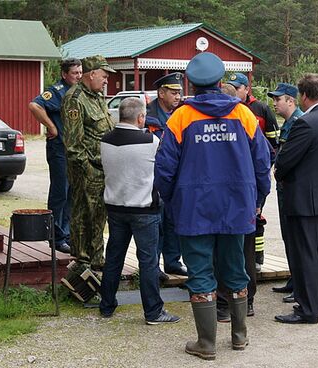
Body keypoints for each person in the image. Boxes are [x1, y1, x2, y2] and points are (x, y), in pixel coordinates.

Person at [155, 52, 271, 360]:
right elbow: (263, 162)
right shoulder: (243, 115)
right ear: (220, 82)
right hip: (236, 207)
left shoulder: (181, 117)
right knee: (235, 269)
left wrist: (172, 200)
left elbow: (164, 169)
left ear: (191, 84)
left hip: (194, 209)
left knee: (201, 272)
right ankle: (239, 337)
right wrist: (258, 198)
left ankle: (206, 343)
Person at [273, 74, 318, 324]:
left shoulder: (306, 123)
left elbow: (285, 161)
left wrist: (278, 172)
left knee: (305, 252)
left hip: (305, 197)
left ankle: (307, 308)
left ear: (303, 96)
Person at [99, 97, 180, 324]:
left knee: (114, 257)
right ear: (141, 117)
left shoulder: (105, 140)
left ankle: (106, 305)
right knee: (148, 262)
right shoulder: (150, 141)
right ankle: (153, 311)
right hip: (144, 208)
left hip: (115, 207)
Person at [60, 55, 116, 302]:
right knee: (84, 217)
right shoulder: (75, 99)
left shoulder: (96, 97)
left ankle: (97, 263)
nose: (106, 81)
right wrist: (89, 169)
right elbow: (73, 145)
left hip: (102, 168)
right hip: (88, 169)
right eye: (104, 76)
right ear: (91, 74)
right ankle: (83, 265)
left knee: (98, 217)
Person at [28, 58, 82, 254]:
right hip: (59, 149)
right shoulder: (57, 91)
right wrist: (51, 126)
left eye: (80, 72)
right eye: (75, 73)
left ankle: (66, 235)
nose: (78, 76)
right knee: (60, 193)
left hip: (74, 150)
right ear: (64, 74)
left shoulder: (78, 92)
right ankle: (56, 237)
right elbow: (34, 105)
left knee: (72, 194)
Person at [227, 72, 279, 268]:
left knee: (255, 216)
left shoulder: (262, 109)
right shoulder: (228, 110)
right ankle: (239, 260)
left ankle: (257, 259)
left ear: (246, 89)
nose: (233, 91)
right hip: (237, 174)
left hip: (256, 174)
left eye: (237, 88)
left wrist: (267, 168)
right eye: (230, 87)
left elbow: (273, 143)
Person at [145, 72, 188, 280]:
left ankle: (173, 262)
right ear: (161, 93)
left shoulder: (182, 114)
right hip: (155, 177)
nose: (178, 96)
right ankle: (154, 266)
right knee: (157, 224)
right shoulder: (147, 115)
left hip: (178, 177)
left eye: (179, 92)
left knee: (173, 222)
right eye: (173, 92)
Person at [267, 83, 303, 300]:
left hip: (292, 187)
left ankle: (299, 284)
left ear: (291, 100)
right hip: (284, 187)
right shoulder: (288, 122)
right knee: (287, 236)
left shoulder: (298, 122)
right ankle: (293, 279)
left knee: (295, 238)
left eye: (278, 99)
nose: (274, 102)